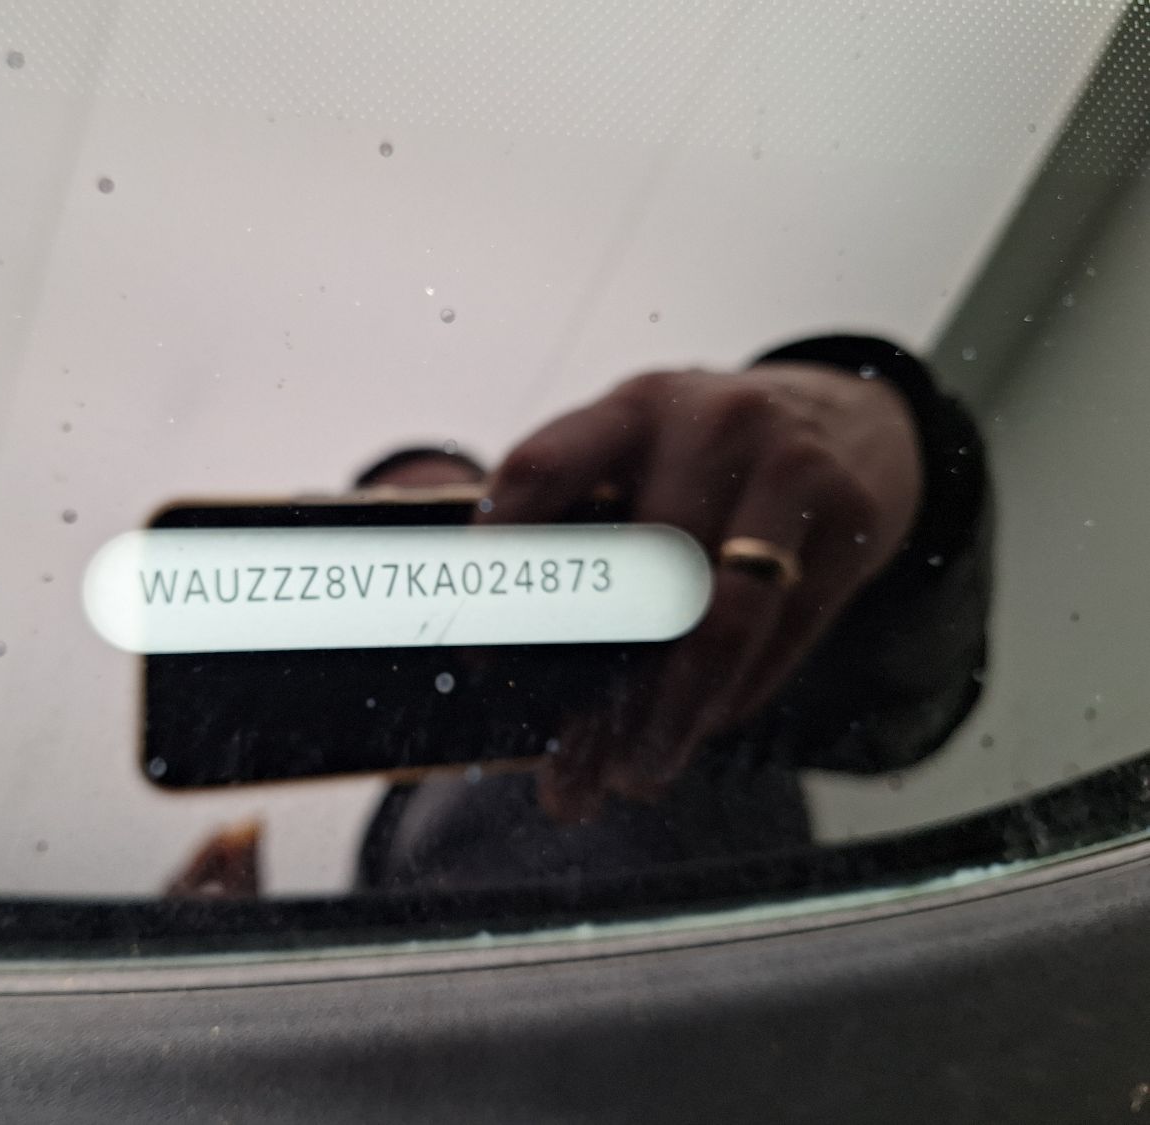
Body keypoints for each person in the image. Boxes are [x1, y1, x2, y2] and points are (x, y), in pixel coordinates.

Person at [356, 335, 992, 890]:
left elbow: (902, 704)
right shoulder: (386, 812)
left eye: (453, 521)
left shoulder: (684, 653)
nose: (434, 575)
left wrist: (897, 458)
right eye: (385, 534)